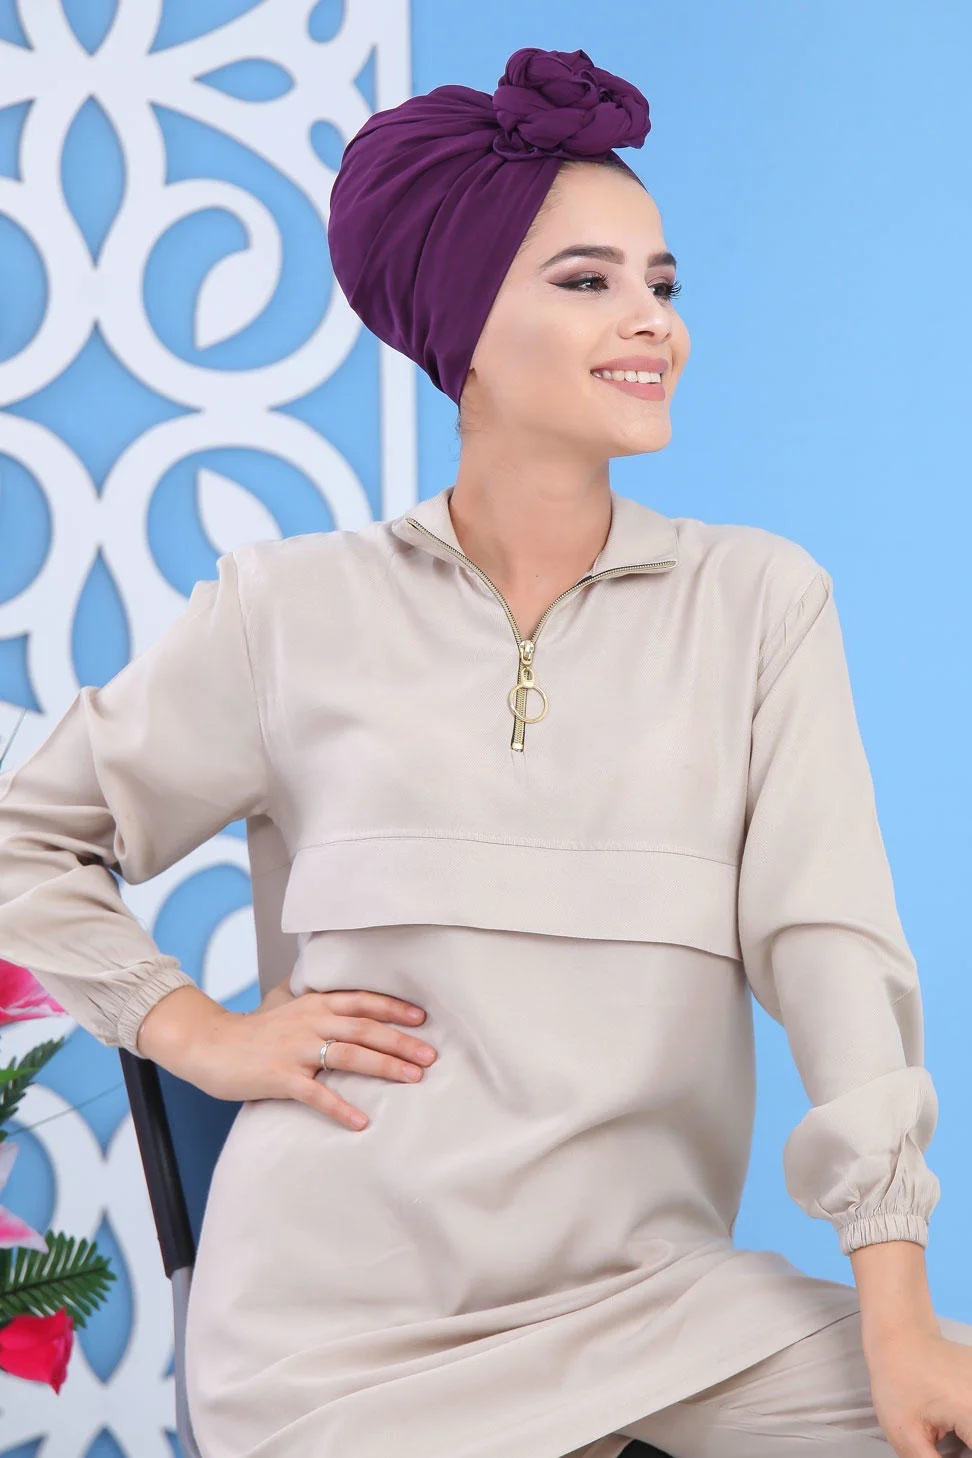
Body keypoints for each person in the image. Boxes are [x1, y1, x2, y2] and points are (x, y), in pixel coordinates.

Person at [0, 44, 969, 1458]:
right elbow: (26, 832)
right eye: (587, 281)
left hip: (657, 1304)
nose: (650, 322)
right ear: (462, 324)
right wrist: (193, 1031)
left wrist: (896, 1309)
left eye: (661, 283)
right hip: (333, 1333)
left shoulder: (758, 603)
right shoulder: (291, 612)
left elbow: (831, 946)